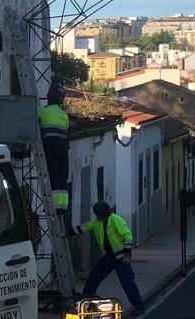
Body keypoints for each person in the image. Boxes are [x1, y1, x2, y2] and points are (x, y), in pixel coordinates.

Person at [72, 202, 146, 316]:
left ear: (99, 214)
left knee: (127, 282)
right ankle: (85, 298)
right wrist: (70, 232)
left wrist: (127, 252)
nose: (97, 217)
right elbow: (85, 227)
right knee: (94, 275)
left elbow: (127, 235)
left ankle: (139, 306)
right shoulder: (97, 223)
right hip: (109, 257)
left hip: (120, 257)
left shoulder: (116, 219)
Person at [38, 82, 69, 214]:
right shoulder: (64, 115)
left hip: (51, 147)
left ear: (49, 97)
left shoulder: (42, 111)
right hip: (64, 148)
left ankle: (55, 207)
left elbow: (34, 120)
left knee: (53, 175)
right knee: (63, 176)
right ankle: (63, 207)